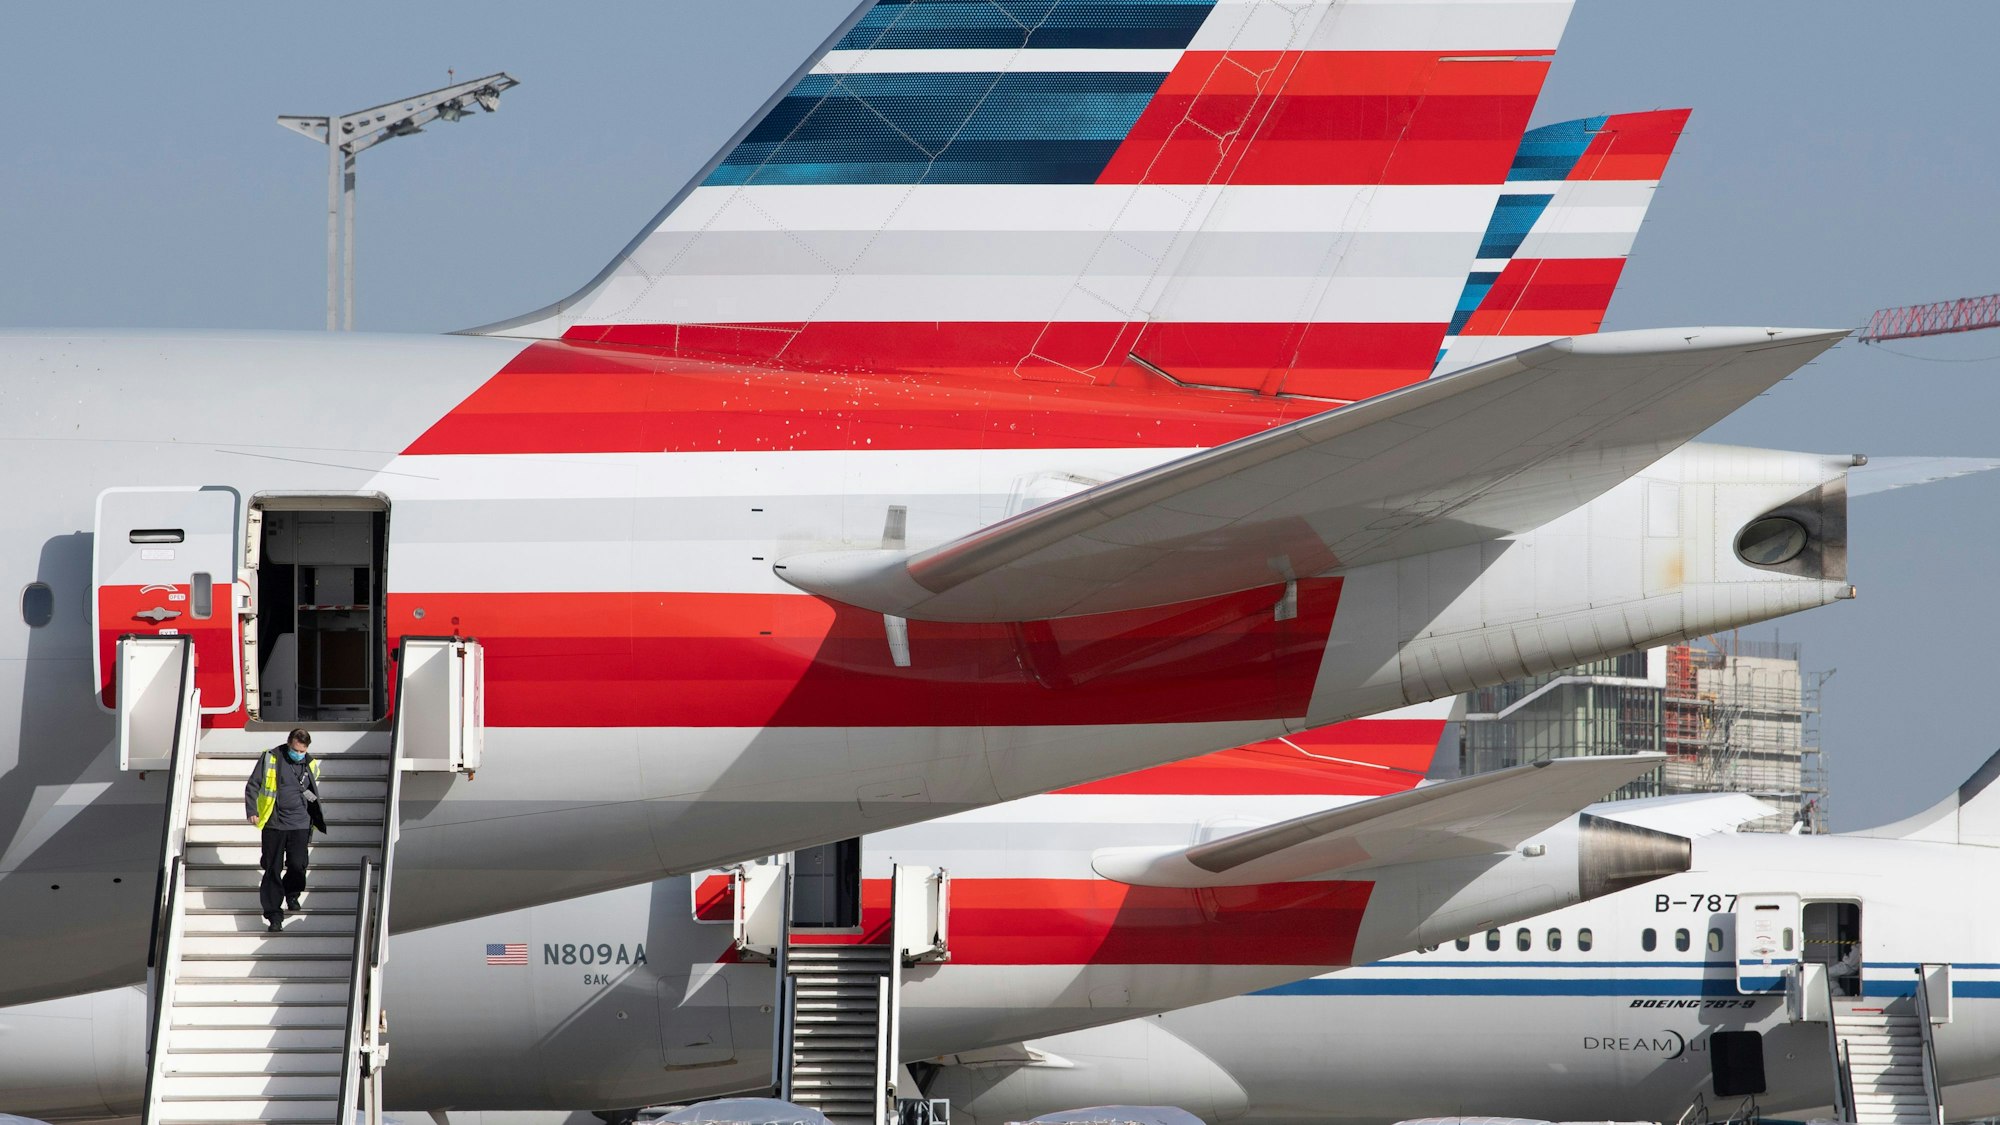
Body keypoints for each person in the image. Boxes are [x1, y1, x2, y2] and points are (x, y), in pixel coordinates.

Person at [244, 728, 324, 933]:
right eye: (296, 750)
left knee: (298, 865)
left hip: (300, 824)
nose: (299, 754)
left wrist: (314, 812)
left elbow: (308, 790)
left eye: (303, 751)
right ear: (289, 744)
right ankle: (274, 916)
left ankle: (292, 893)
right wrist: (252, 810)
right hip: (275, 824)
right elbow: (253, 785)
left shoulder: (310, 763)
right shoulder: (271, 758)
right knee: (273, 869)